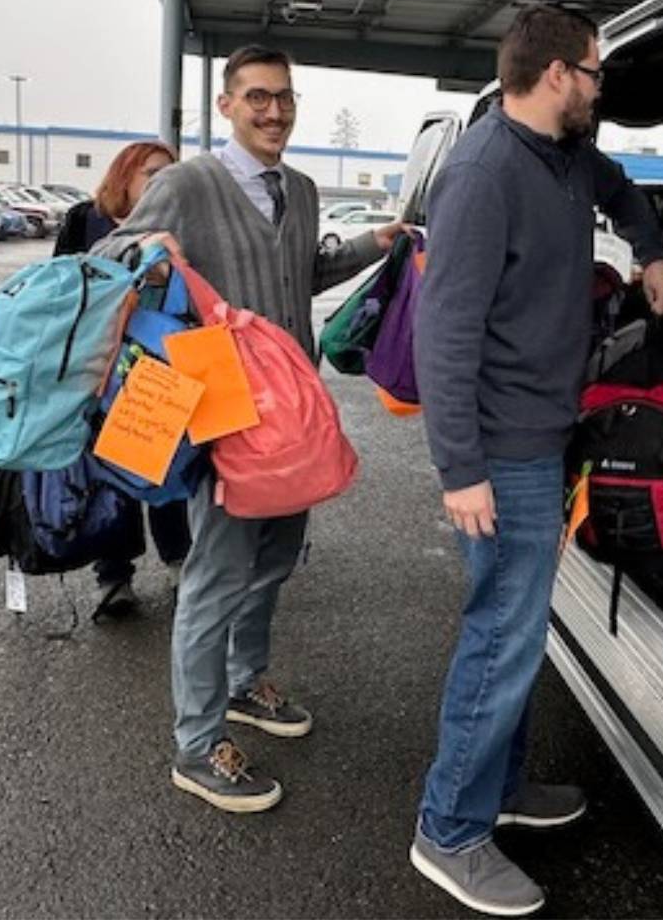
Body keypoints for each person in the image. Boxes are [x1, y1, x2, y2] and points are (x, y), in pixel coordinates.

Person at [410, 5, 663, 916]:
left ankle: (504, 789)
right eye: (597, 73)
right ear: (559, 74)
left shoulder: (566, 157)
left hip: (546, 431)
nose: (603, 89)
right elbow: (445, 334)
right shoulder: (484, 173)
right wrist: (460, 470)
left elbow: (625, 189)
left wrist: (650, 251)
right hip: (501, 449)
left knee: (521, 632)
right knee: (501, 635)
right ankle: (449, 829)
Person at [93, 44, 403, 813]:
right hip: (225, 416)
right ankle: (196, 746)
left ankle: (243, 683)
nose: (275, 111)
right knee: (215, 576)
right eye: (258, 97)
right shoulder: (187, 183)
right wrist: (145, 250)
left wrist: (374, 245)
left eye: (285, 97)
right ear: (227, 106)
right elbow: (107, 254)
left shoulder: (298, 187)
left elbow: (300, 272)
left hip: (294, 416)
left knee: (277, 558)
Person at [53, 140, 190, 619]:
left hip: (158, 368)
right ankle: (114, 578)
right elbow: (60, 286)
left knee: (165, 469)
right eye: (152, 173)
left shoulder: (178, 228)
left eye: (170, 174)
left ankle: (179, 565)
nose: (162, 184)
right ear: (125, 175)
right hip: (98, 368)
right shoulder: (84, 218)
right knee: (107, 477)